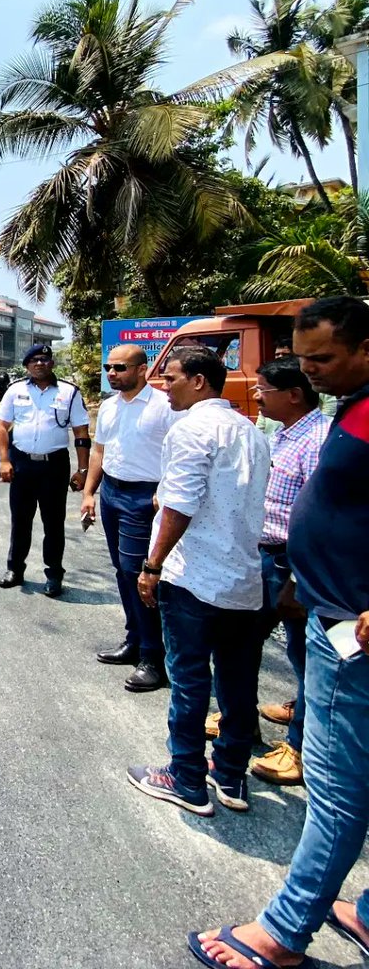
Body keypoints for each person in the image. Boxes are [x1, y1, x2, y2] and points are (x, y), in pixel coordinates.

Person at [189, 296, 369, 969]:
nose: (310, 371)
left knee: (336, 790)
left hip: (352, 632)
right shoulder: (350, 406)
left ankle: (284, 935)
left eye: (323, 358)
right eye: (302, 359)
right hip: (328, 608)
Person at [127, 346, 270, 819]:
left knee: (190, 680)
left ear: (200, 382)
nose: (162, 386)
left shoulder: (191, 429)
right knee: (237, 681)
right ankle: (229, 773)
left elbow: (180, 505)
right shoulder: (250, 431)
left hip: (195, 577)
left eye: (170, 378)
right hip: (244, 579)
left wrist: (152, 566)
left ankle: (185, 778)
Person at [246, 357, 329, 787]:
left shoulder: (315, 439)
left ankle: (298, 749)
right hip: (268, 555)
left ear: (293, 394)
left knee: (305, 655)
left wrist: (298, 579)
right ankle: (243, 717)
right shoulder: (283, 434)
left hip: (291, 561)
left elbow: (318, 516)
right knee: (245, 637)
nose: (256, 395)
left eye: (264, 389)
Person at [81, 345, 175, 693]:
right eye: (108, 367)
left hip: (144, 496)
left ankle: (153, 656)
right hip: (112, 494)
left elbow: (178, 451)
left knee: (140, 575)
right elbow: (99, 451)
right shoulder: (108, 406)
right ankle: (134, 639)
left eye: (120, 367)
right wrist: (90, 493)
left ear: (142, 369)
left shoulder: (164, 406)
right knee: (123, 572)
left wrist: (164, 489)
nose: (112, 373)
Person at [0, 344, 90, 598]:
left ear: (52, 364)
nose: (40, 364)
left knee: (54, 523)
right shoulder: (15, 390)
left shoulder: (69, 393)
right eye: (34, 360)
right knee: (20, 521)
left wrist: (83, 469)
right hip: (22, 464)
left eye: (45, 359)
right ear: (27, 365)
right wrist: (4, 461)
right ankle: (15, 570)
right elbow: (1, 426)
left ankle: (54, 575)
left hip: (54, 466)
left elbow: (81, 433)